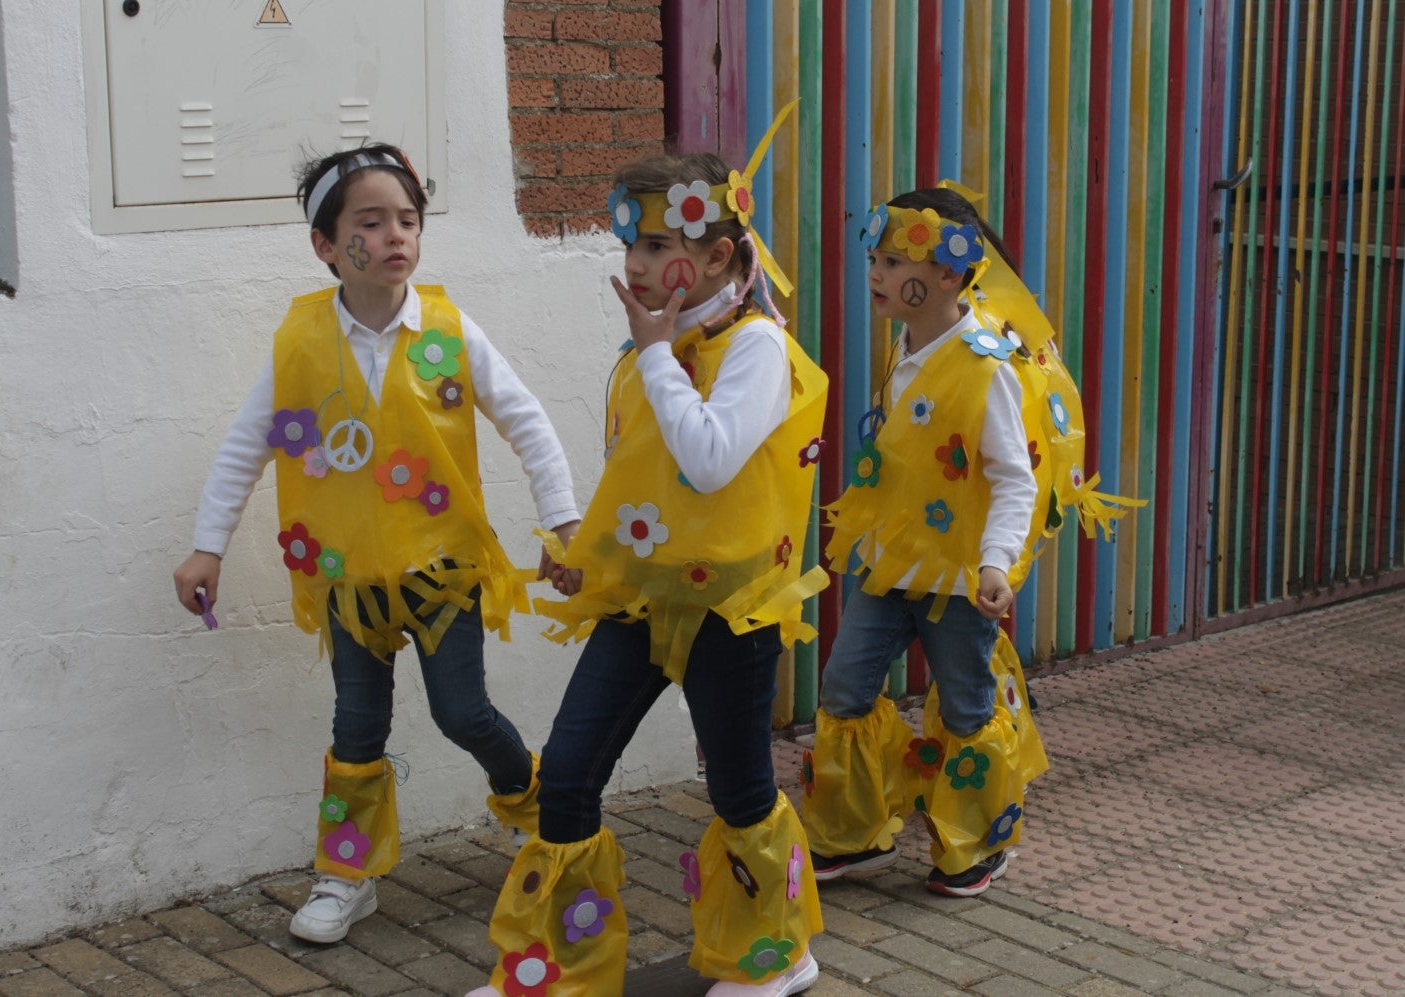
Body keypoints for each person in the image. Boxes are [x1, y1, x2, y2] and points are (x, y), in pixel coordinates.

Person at [171, 143, 580, 944]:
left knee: (463, 712)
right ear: (326, 244)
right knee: (357, 725)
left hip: (442, 569)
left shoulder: (449, 331)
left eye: (408, 219)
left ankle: (541, 812)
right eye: (371, 221)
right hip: (348, 576)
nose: (396, 234)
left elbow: (527, 422)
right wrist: (207, 546)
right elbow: (247, 443)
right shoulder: (300, 344)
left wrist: (563, 523)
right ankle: (345, 872)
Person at [471, 109, 829, 997]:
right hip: (640, 602)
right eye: (629, 239)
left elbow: (707, 461)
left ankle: (777, 955)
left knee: (739, 790)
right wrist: (588, 558)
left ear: (717, 255)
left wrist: (656, 354)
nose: (634, 260)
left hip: (729, 613)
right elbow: (641, 484)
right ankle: (554, 971)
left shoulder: (754, 347)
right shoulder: (650, 351)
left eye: (658, 243)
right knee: (567, 773)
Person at [801, 185, 1134, 898]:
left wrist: (994, 563)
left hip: (957, 579)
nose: (876, 274)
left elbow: (1014, 478)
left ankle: (977, 842)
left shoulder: (986, 367)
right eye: (875, 259)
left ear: (949, 274)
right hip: (888, 565)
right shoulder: (907, 345)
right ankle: (852, 832)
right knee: (844, 688)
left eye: (894, 262)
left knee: (964, 708)